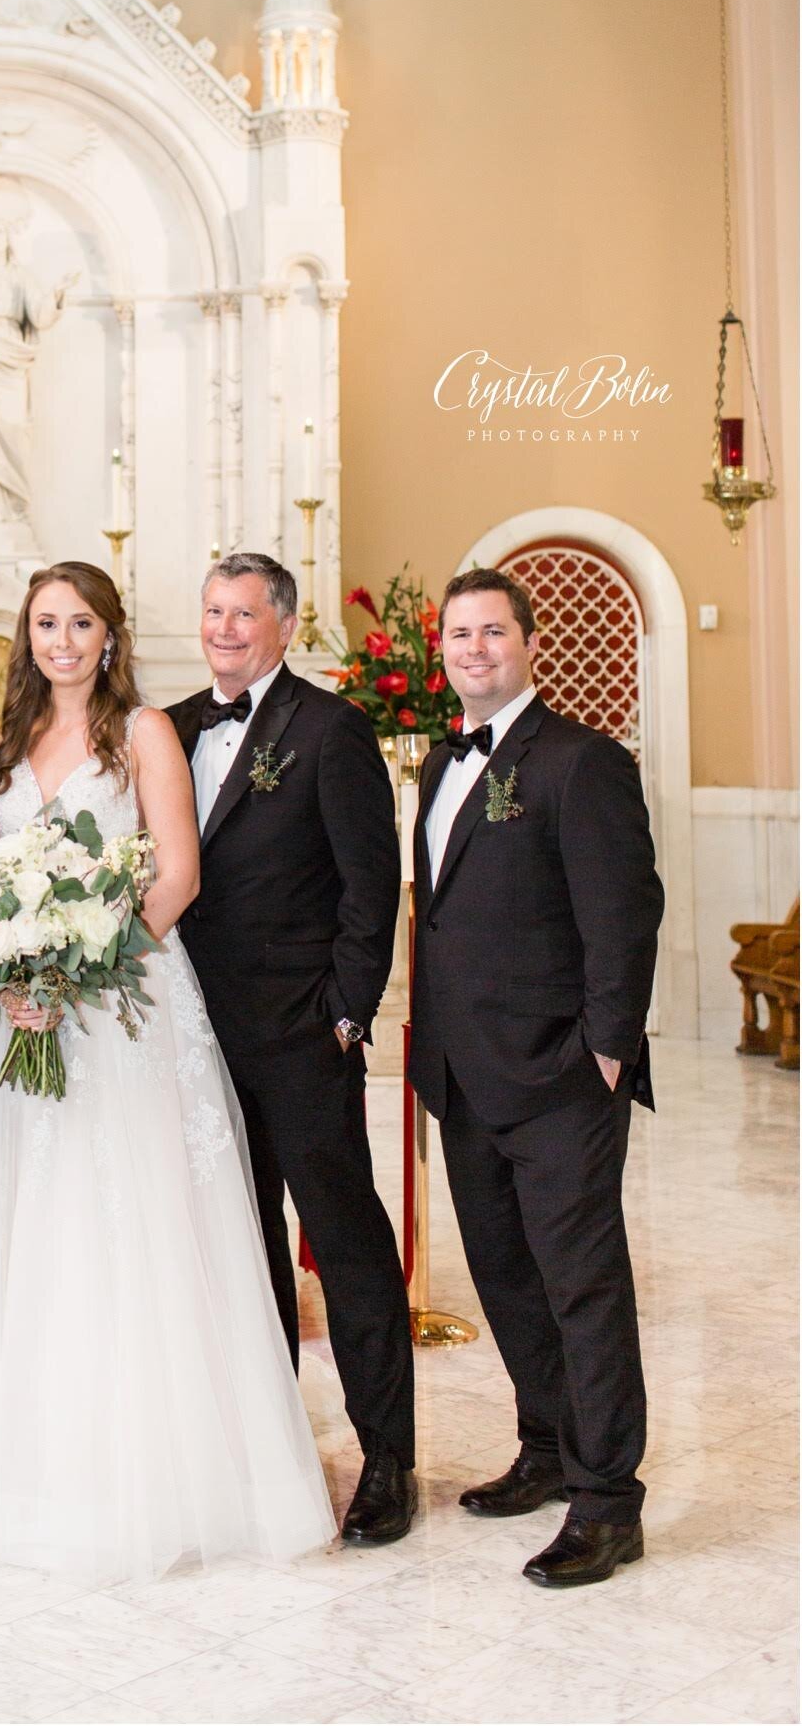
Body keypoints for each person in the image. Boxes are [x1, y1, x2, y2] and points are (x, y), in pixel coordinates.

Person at [0, 562, 335, 1581]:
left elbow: (176, 870)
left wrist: (88, 959)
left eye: (78, 623)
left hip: (123, 1005)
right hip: (26, 1013)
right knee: (32, 1219)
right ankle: (29, 1471)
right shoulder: (2, 742)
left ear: (108, 634)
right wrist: (15, 968)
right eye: (44, 624)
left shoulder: (142, 734)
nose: (60, 641)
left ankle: (167, 1475)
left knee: (133, 1219)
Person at [410, 566, 662, 1589]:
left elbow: (623, 913)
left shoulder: (579, 761)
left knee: (581, 1288)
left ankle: (609, 1502)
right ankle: (547, 1447)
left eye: (492, 632)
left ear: (529, 642)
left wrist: (601, 1052)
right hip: (464, 1079)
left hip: (560, 1077)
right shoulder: (436, 763)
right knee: (508, 1280)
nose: (474, 649)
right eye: (458, 635)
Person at [168, 554, 416, 1546]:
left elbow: (370, 881)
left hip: (302, 1034)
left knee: (344, 1241)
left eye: (245, 613)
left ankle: (387, 1457)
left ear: (284, 622)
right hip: (195, 1034)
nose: (226, 629)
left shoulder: (329, 730)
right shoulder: (172, 725)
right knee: (240, 1243)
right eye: (214, 610)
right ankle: (269, 1445)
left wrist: (348, 1012)